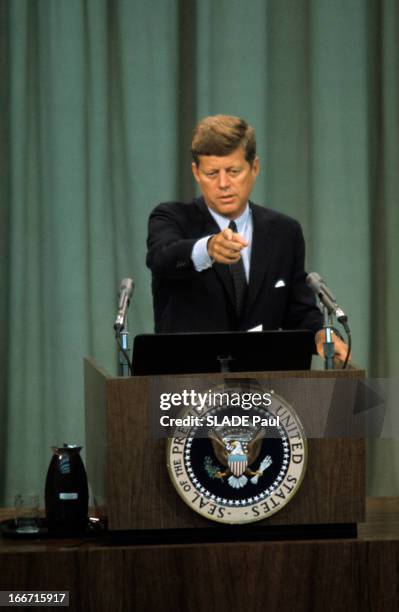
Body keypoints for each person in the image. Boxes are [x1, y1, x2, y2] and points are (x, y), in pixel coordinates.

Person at [147, 114, 348, 361]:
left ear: (254, 168)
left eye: (233, 171)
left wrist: (320, 335)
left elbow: (298, 310)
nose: (223, 184)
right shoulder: (171, 218)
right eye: (212, 173)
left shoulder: (285, 232)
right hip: (188, 385)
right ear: (196, 172)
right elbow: (162, 257)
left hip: (262, 388)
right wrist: (208, 248)